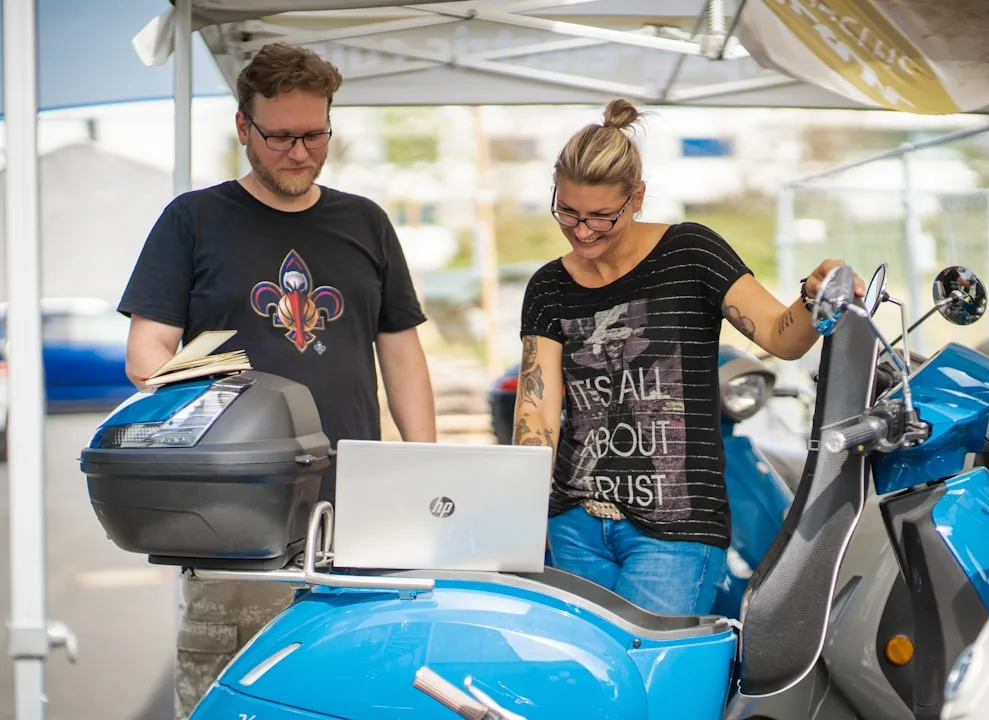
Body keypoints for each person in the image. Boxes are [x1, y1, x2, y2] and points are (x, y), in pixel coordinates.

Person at [117, 42, 436, 717]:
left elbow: (402, 354)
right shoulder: (192, 220)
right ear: (244, 129)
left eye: (315, 135)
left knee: (352, 694)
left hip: (358, 516)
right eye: (282, 137)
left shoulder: (366, 222)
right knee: (233, 697)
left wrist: (423, 468)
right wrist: (184, 375)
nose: (300, 152)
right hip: (234, 524)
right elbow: (147, 351)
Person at [513, 98, 864, 616]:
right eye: (567, 212)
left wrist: (815, 296)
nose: (582, 231)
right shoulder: (548, 286)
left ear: (636, 198)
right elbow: (536, 412)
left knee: (653, 681)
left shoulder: (691, 252)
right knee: (584, 685)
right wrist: (521, 516)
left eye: (600, 217)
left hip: (675, 531)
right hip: (575, 526)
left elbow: (780, 337)